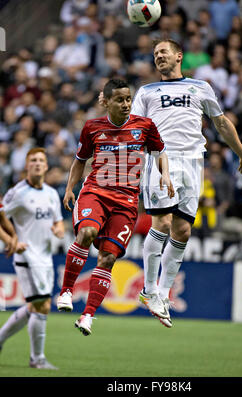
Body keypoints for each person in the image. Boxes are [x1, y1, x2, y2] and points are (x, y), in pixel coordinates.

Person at [130, 38, 242, 328]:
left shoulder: (200, 87)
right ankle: (148, 290)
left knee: (183, 230)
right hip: (161, 158)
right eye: (155, 53)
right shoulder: (146, 91)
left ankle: (162, 293)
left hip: (193, 162)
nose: (159, 56)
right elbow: (134, 127)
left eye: (164, 52)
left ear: (179, 56)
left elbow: (221, 123)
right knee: (161, 223)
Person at [56, 79, 174, 336]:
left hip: (128, 201)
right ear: (106, 101)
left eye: (128, 99)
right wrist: (68, 189)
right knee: (86, 233)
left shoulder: (144, 126)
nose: (125, 104)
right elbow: (79, 161)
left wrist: (165, 175)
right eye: (119, 99)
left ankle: (87, 315)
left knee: (108, 258)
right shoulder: (92, 127)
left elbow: (160, 151)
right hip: (96, 192)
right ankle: (66, 291)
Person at [0, 148, 65, 369]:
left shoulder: (51, 193)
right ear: (27, 165)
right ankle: (36, 359)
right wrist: (12, 241)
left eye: (41, 161)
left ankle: (0, 339)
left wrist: (58, 230)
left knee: (33, 307)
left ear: (46, 166)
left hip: (45, 257)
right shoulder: (17, 193)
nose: (37, 164)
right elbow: (1, 216)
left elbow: (57, 221)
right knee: (43, 305)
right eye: (33, 160)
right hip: (26, 255)